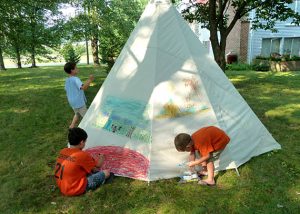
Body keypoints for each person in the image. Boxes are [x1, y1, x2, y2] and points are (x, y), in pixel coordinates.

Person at [55, 127, 111, 196]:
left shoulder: (63, 151)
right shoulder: (82, 155)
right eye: (85, 141)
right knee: (106, 173)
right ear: (81, 142)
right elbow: (97, 166)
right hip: (74, 189)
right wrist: (102, 157)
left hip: (62, 186)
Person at [64, 62, 94, 128]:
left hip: (72, 102)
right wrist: (90, 79)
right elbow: (83, 87)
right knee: (86, 116)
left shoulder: (67, 80)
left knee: (77, 114)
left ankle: (72, 126)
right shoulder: (76, 79)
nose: (78, 69)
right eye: (76, 68)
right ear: (72, 70)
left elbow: (67, 90)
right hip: (79, 102)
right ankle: (89, 128)